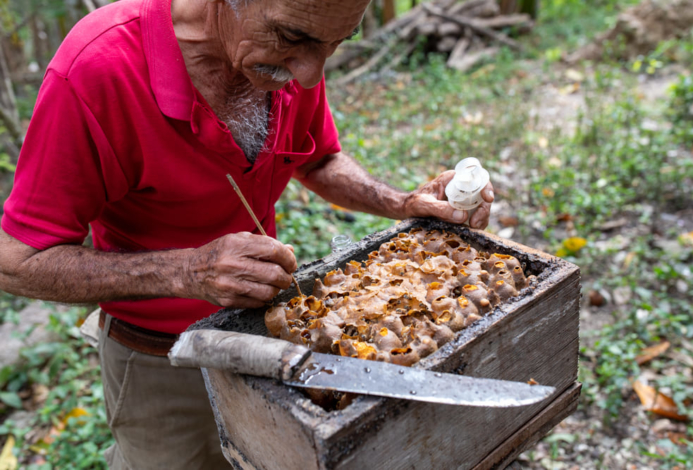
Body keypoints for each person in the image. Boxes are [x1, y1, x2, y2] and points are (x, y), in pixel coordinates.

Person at [0, 0, 494, 468]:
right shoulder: (98, 69)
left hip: (272, 337)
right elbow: (17, 260)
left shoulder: (292, 52)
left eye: (335, 44)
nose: (309, 74)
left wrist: (401, 203)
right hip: (161, 359)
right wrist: (187, 270)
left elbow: (319, 158)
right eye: (292, 37)